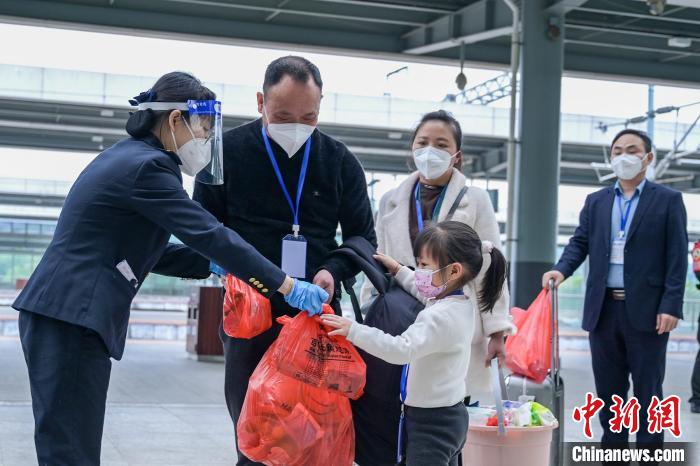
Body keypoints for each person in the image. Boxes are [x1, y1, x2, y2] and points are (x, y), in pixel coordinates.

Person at [12, 71, 328, 466]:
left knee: (67, 442)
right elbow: (210, 233)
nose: (205, 142)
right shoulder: (150, 168)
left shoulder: (127, 158)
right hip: (72, 316)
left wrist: (211, 264)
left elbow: (150, 251)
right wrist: (284, 285)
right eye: (204, 129)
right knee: (70, 451)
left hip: (61, 314)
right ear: (176, 119)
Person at [193, 56, 376, 465]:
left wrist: (333, 270)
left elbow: (363, 235)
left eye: (309, 115)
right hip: (251, 314)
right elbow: (201, 226)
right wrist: (227, 268)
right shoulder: (224, 153)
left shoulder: (340, 160)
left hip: (318, 314)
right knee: (255, 435)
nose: (297, 125)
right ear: (260, 102)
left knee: (320, 435)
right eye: (283, 114)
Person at [542, 129, 688, 464]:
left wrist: (671, 305)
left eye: (632, 150)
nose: (624, 156)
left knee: (648, 393)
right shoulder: (597, 201)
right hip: (603, 310)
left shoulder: (667, 201)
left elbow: (677, 257)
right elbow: (579, 242)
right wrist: (560, 270)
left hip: (649, 312)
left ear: (648, 158)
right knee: (610, 395)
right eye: (617, 150)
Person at [323, 221, 507, 466]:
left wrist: (354, 331)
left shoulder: (440, 317)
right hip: (449, 415)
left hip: (431, 424)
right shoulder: (456, 302)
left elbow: (401, 349)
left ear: (453, 271)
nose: (418, 271)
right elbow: (423, 291)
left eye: (423, 265)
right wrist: (399, 270)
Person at [360, 110, 514, 401]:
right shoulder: (390, 200)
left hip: (455, 315)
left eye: (442, 144)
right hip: (399, 316)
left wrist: (497, 331)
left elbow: (491, 267)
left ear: (457, 155)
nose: (430, 150)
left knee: (451, 402)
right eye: (422, 142)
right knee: (399, 400)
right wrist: (372, 309)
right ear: (412, 148)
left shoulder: (476, 200)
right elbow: (379, 260)